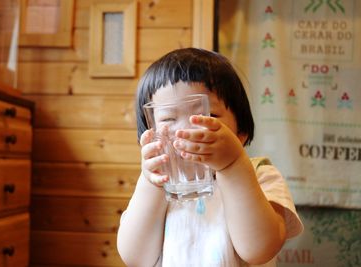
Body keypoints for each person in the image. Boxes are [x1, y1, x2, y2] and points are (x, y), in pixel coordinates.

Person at [117, 48, 303, 267]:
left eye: (208, 116)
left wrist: (233, 165)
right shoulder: (158, 186)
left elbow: (259, 250)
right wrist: (150, 182)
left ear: (240, 133)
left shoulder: (261, 174)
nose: (186, 129)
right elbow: (135, 257)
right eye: (168, 118)